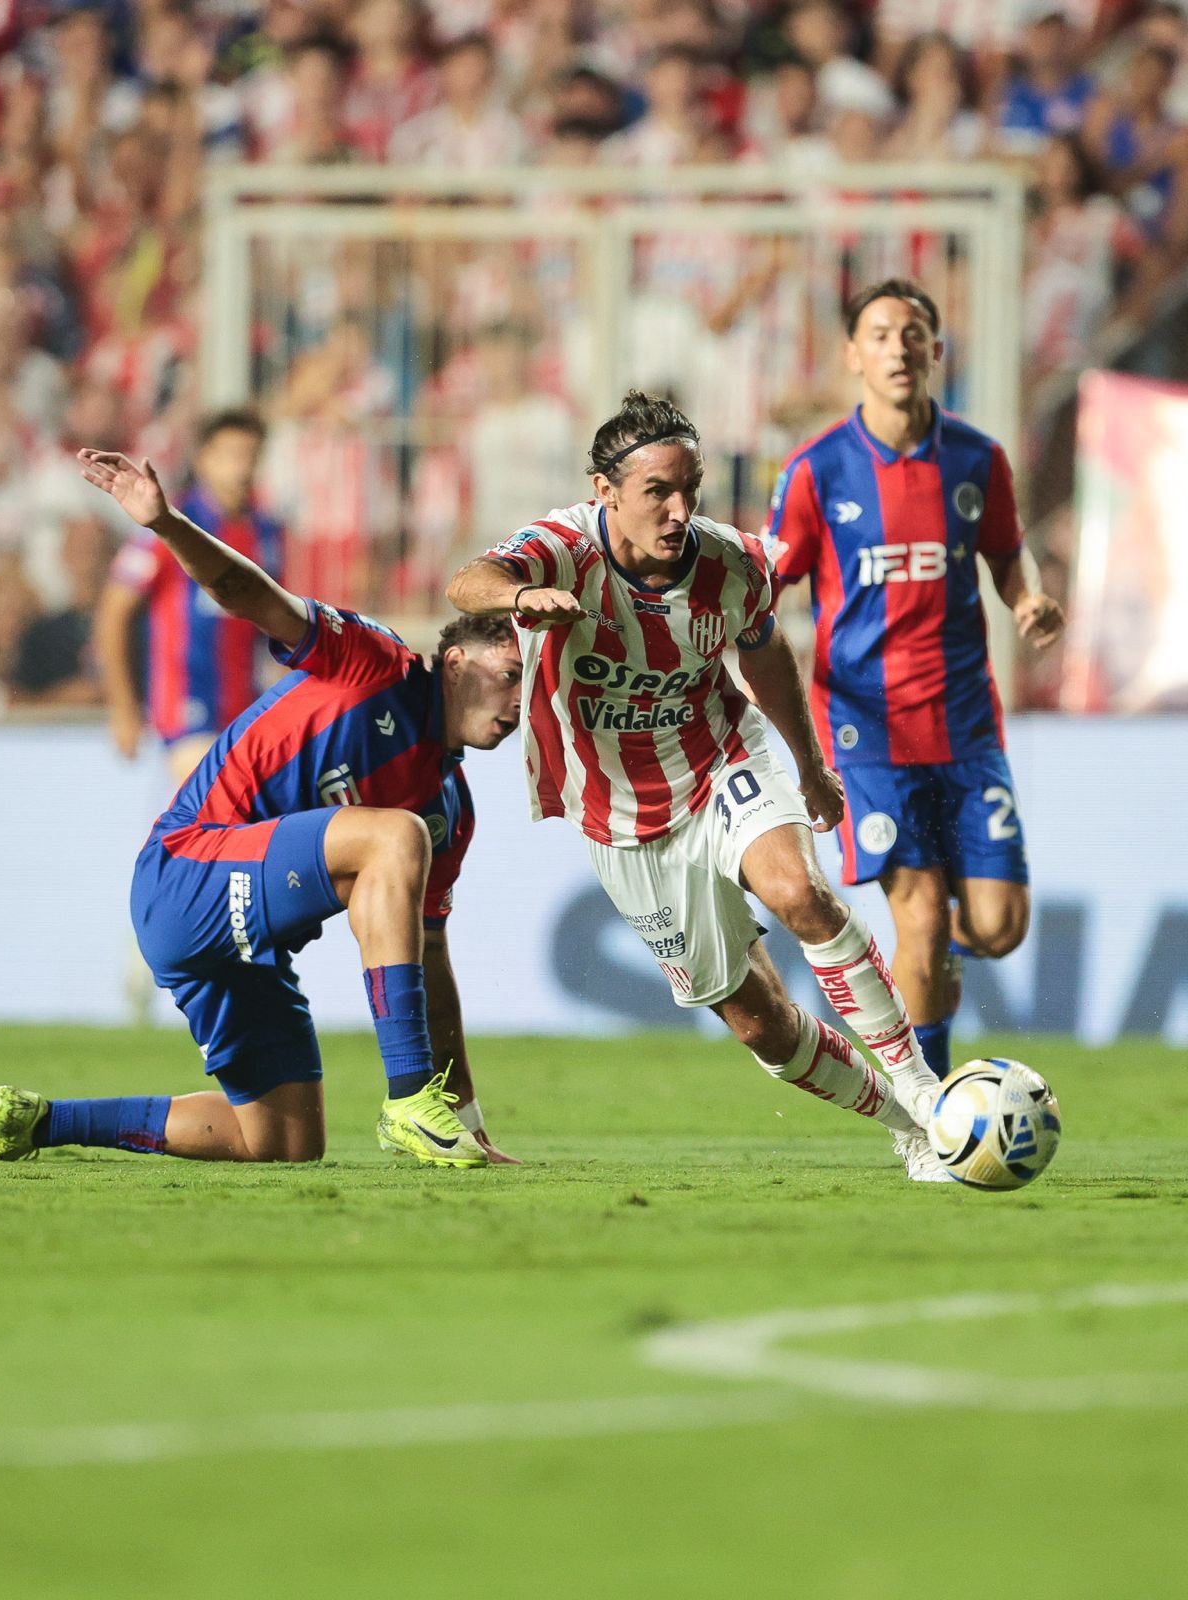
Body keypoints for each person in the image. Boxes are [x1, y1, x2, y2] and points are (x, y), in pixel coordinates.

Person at [446, 390, 949, 1183]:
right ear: (606, 492)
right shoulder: (563, 548)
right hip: (619, 814)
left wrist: (809, 765)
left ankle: (923, 1089)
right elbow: (468, 582)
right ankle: (906, 1125)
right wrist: (520, 596)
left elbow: (763, 651)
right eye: (658, 492)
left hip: (720, 758)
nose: (679, 511)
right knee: (761, 1025)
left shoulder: (733, 561)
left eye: (690, 490)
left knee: (799, 893)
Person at [0, 449, 523, 1170]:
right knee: (395, 834)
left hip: (247, 942)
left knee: (281, 1141)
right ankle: (406, 1097)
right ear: (456, 663)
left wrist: (468, 1117)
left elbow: (431, 961)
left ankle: (38, 1123)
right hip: (185, 874)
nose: (520, 703)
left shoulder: (450, 808)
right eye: (511, 676)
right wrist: (167, 524)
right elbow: (246, 592)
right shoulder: (375, 663)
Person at [763, 278, 1066, 1083]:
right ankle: (930, 1111)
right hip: (866, 731)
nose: (898, 347)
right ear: (852, 355)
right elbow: (765, 583)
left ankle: (934, 966)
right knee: (922, 918)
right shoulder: (817, 470)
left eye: (912, 332)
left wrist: (1027, 598)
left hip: (965, 723)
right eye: (880, 334)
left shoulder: (977, 458)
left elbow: (1006, 552)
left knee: (998, 926)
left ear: (936, 349)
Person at [95, 408, 286, 788]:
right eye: (232, 455)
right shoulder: (169, 524)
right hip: (184, 710)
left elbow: (274, 622)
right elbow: (114, 611)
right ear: (204, 459)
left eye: (251, 455)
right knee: (221, 793)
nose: (243, 468)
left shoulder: (266, 533)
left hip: (246, 707)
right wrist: (123, 707)